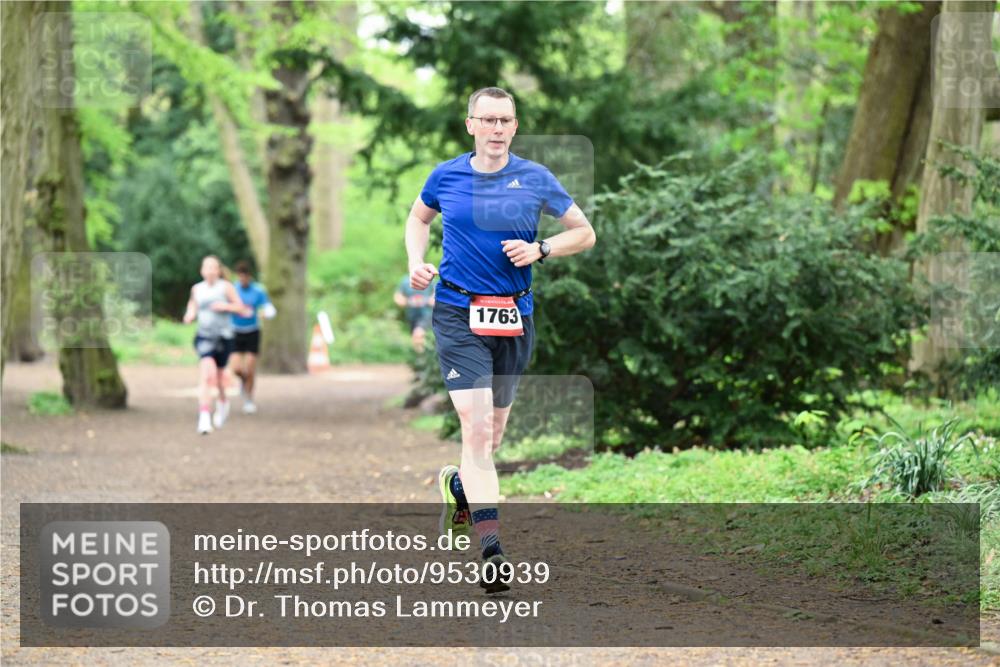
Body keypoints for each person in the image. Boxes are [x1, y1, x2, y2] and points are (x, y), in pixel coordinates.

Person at [405, 87, 596, 592]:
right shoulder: (446, 176)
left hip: (514, 315)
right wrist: (415, 263)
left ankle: (459, 486)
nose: (496, 128)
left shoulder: (535, 178)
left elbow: (584, 232)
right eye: (487, 119)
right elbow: (418, 218)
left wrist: (541, 249)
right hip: (456, 311)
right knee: (476, 427)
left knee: (491, 437)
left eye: (505, 120)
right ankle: (492, 550)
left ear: (514, 126)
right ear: (470, 124)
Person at [182, 256, 252, 435]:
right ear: (202, 270)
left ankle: (222, 402)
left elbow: (241, 307)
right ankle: (204, 417)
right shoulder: (197, 288)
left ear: (219, 270)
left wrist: (225, 306)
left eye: (214, 267)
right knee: (207, 375)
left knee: (220, 378)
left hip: (224, 337)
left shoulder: (226, 287)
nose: (210, 271)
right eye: (207, 267)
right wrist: (189, 315)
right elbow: (193, 305)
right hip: (204, 336)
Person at [230, 261, 276, 414]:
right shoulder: (232, 290)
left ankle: (249, 399)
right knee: (236, 368)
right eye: (240, 277)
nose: (242, 280)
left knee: (250, 368)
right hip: (235, 331)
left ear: (249, 277)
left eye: (244, 277)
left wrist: (263, 313)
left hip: (252, 332)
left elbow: (270, 310)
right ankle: (243, 381)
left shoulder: (258, 291)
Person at [393, 274, 435, 353]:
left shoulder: (429, 279)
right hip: (412, 316)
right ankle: (419, 356)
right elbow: (397, 298)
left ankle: (423, 357)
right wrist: (409, 302)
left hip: (427, 315)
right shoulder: (405, 281)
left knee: (418, 333)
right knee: (415, 338)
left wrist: (425, 301)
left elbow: (436, 297)